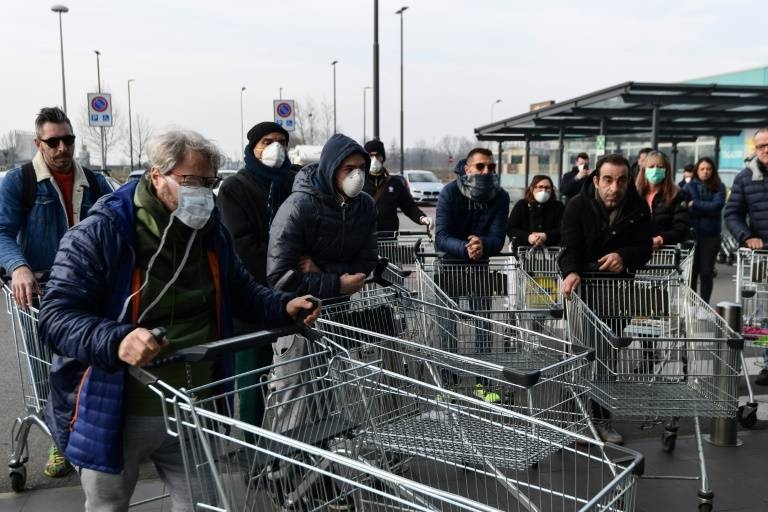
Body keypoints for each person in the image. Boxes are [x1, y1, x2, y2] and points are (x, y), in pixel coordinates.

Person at [39, 130, 319, 510]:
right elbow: (55, 318)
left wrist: (282, 306)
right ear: (157, 175)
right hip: (117, 409)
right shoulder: (103, 230)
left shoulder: (210, 233)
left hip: (194, 406)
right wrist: (116, 339)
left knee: (204, 504)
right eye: (191, 181)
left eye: (209, 182)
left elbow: (242, 292)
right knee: (108, 504)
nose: (203, 192)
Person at [0, 106, 110, 478]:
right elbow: (1, 231)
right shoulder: (21, 182)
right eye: (54, 142)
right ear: (39, 143)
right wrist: (18, 267)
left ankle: (92, 434)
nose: (62, 148)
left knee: (95, 365)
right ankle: (61, 444)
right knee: (49, 371)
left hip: (89, 290)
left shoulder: (95, 183)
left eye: (68, 140)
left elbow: (117, 224)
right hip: (42, 295)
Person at [559, 154, 653, 444]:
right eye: (608, 180)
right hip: (583, 290)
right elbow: (568, 246)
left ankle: (602, 418)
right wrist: (571, 271)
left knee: (605, 355)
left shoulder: (637, 209)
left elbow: (644, 248)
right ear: (596, 180)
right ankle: (572, 419)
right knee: (580, 354)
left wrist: (623, 256)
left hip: (617, 293)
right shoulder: (577, 206)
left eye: (622, 180)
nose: (615, 187)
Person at [217, 121, 296, 435]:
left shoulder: (293, 183)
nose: (275, 147)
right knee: (253, 379)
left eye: (281, 141)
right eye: (267, 141)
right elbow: (242, 245)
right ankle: (252, 444)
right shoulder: (236, 187)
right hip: (251, 298)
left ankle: (291, 444)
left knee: (298, 379)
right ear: (252, 148)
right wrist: (290, 262)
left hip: (292, 295)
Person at [267, 133, 378, 298]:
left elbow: (367, 261)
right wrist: (337, 284)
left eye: (362, 168)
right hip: (302, 310)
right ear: (330, 169)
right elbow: (280, 278)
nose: (357, 176)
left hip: (339, 308)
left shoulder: (365, 205)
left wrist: (322, 272)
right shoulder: (297, 207)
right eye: (349, 169)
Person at [435, 148, 509, 391]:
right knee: (447, 328)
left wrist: (482, 245)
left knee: (483, 326)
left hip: (479, 267)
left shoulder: (500, 196)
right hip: (450, 266)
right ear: (467, 169)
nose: (486, 171)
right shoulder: (450, 192)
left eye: (491, 167)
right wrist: (467, 248)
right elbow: (441, 237)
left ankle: (484, 383)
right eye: (480, 166)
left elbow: (498, 238)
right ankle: (449, 384)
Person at [725, 127, 768, 385]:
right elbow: (732, 213)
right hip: (762, 256)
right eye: (760, 146)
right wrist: (746, 236)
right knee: (763, 314)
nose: (765, 150)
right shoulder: (745, 178)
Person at [362, 139, 432, 233]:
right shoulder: (358, 182)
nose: (374, 159)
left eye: (377, 155)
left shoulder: (395, 183)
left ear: (383, 158)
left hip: (389, 239)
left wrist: (422, 218)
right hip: (364, 239)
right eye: (371, 155)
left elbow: (409, 207)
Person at [685, 157, 725, 303]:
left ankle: (704, 305)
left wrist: (695, 204)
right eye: (702, 169)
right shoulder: (689, 187)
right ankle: (691, 304)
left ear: (713, 170)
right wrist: (705, 209)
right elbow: (685, 209)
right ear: (697, 170)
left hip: (711, 236)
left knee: (706, 272)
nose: (705, 172)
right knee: (692, 273)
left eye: (708, 169)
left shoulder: (719, 186)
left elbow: (717, 207)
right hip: (692, 235)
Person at [635, 150, 689, 248]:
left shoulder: (676, 195)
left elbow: (681, 227)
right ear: (644, 170)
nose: (655, 170)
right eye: (651, 167)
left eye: (660, 167)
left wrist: (661, 239)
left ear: (666, 171)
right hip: (638, 250)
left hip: (666, 253)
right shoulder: (635, 195)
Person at [506, 175, 564, 247]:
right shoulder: (522, 205)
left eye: (547, 187)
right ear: (532, 189)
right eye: (540, 187)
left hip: (552, 251)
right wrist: (528, 237)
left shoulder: (558, 206)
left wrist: (546, 236)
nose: (544, 190)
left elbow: (564, 228)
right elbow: (510, 228)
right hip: (524, 250)